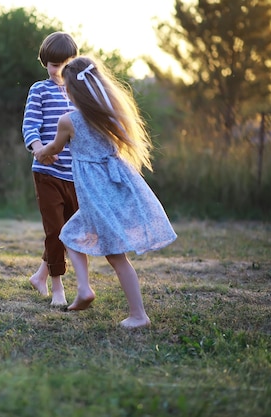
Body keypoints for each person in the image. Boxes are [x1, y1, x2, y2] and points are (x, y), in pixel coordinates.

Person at [33, 56, 177, 328]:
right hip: (118, 187)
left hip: (95, 194)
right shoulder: (112, 116)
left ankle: (136, 314)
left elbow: (54, 148)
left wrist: (40, 151)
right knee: (72, 234)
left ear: (73, 91)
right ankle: (85, 290)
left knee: (111, 254)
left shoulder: (69, 120)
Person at [22, 32, 79, 306]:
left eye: (65, 64)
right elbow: (30, 126)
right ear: (45, 63)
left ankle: (40, 275)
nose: (59, 71)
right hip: (47, 173)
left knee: (68, 232)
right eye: (54, 64)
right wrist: (39, 149)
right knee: (55, 230)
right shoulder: (39, 90)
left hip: (76, 174)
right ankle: (58, 288)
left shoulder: (79, 92)